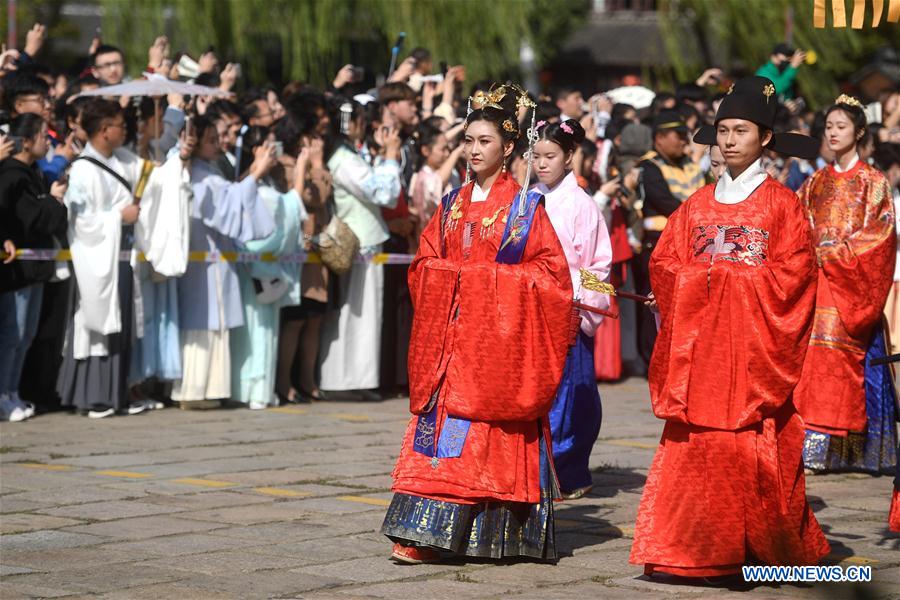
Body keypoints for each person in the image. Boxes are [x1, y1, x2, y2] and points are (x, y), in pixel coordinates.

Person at [630, 76, 830, 578]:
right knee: (693, 442)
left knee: (748, 443)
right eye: (722, 130)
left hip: (749, 353)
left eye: (741, 130)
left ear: (764, 138)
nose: (729, 140)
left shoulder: (783, 205)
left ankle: (748, 548)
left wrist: (723, 280)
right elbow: (666, 262)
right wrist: (700, 280)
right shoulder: (695, 205)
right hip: (701, 355)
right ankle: (685, 548)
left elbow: (796, 278)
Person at [381, 84, 573, 563]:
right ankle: (424, 531)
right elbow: (423, 263)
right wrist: (446, 277)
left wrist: (483, 281)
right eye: (468, 140)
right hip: (449, 348)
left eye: (484, 141)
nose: (472, 150)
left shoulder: (524, 211)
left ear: (508, 148)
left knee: (477, 435)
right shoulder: (450, 205)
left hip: (494, 350)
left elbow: (552, 279)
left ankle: (484, 533)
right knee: (438, 440)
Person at [794, 95, 897, 475]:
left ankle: (848, 447)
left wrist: (836, 253)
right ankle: (813, 444)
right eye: (829, 127)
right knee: (809, 361)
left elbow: (883, 234)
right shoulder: (815, 182)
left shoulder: (874, 182)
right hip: (815, 284)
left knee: (840, 360)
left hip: (848, 288)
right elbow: (796, 224)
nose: (833, 133)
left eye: (842, 126)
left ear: (859, 132)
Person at [171, 115, 277, 409]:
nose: (217, 145)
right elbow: (227, 206)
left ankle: (208, 388)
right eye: (211, 140)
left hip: (215, 256)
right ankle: (192, 389)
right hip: (204, 259)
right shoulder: (198, 175)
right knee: (203, 321)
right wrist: (255, 174)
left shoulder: (208, 171)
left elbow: (229, 198)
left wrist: (253, 173)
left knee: (213, 322)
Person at [532, 119, 612, 499]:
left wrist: (578, 292)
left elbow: (599, 267)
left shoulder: (583, 205)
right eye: (536, 156)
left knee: (572, 393)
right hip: (532, 307)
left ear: (569, 157)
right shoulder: (527, 199)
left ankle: (570, 468)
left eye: (550, 156)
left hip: (570, 309)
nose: (542, 164)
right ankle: (536, 468)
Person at [56, 99, 145, 418]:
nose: (125, 132)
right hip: (95, 258)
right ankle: (93, 394)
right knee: (94, 322)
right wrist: (119, 216)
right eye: (120, 126)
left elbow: (152, 175)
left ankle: (116, 392)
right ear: (105, 130)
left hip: (120, 258)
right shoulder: (82, 169)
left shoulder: (123, 160)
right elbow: (80, 220)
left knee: (121, 324)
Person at [318, 100, 401, 399]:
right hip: (358, 240)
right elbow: (383, 192)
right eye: (361, 121)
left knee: (365, 315)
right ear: (349, 124)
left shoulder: (348, 156)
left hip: (364, 238)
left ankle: (359, 379)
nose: (364, 127)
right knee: (355, 315)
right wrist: (391, 157)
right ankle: (342, 380)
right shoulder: (343, 158)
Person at [229, 126, 311, 409]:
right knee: (258, 330)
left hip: (260, 269)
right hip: (255, 267)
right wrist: (300, 168)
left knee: (260, 329)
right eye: (267, 145)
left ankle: (253, 389)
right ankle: (255, 390)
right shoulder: (253, 187)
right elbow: (290, 212)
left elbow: (289, 208)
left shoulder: (260, 186)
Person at [0, 114, 68, 421]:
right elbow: (31, 215)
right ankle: (3, 392)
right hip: (17, 270)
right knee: (13, 333)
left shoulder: (32, 172)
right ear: (25, 141)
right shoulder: (12, 174)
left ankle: (12, 391)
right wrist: (53, 202)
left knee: (26, 335)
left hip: (35, 266)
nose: (47, 141)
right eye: (42, 135)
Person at [634, 110, 704, 364]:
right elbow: (664, 201)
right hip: (657, 241)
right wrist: (698, 214)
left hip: (691, 243)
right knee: (653, 301)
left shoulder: (691, 165)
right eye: (678, 135)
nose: (684, 141)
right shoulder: (648, 166)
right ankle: (652, 358)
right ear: (660, 137)